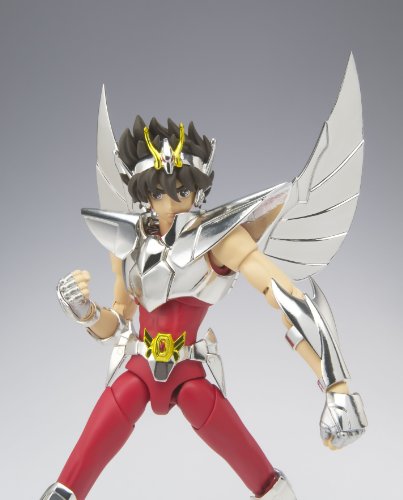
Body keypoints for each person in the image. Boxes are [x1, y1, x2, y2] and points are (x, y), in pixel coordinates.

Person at [41, 55, 367, 500]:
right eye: (158, 193)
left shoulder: (219, 241)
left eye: (182, 191)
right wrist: (84, 311)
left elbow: (287, 297)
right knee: (87, 452)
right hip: (137, 369)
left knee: (248, 460)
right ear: (143, 194)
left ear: (199, 189)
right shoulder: (128, 243)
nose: (170, 204)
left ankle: (276, 493)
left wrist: (337, 386)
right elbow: (116, 324)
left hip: (190, 374)